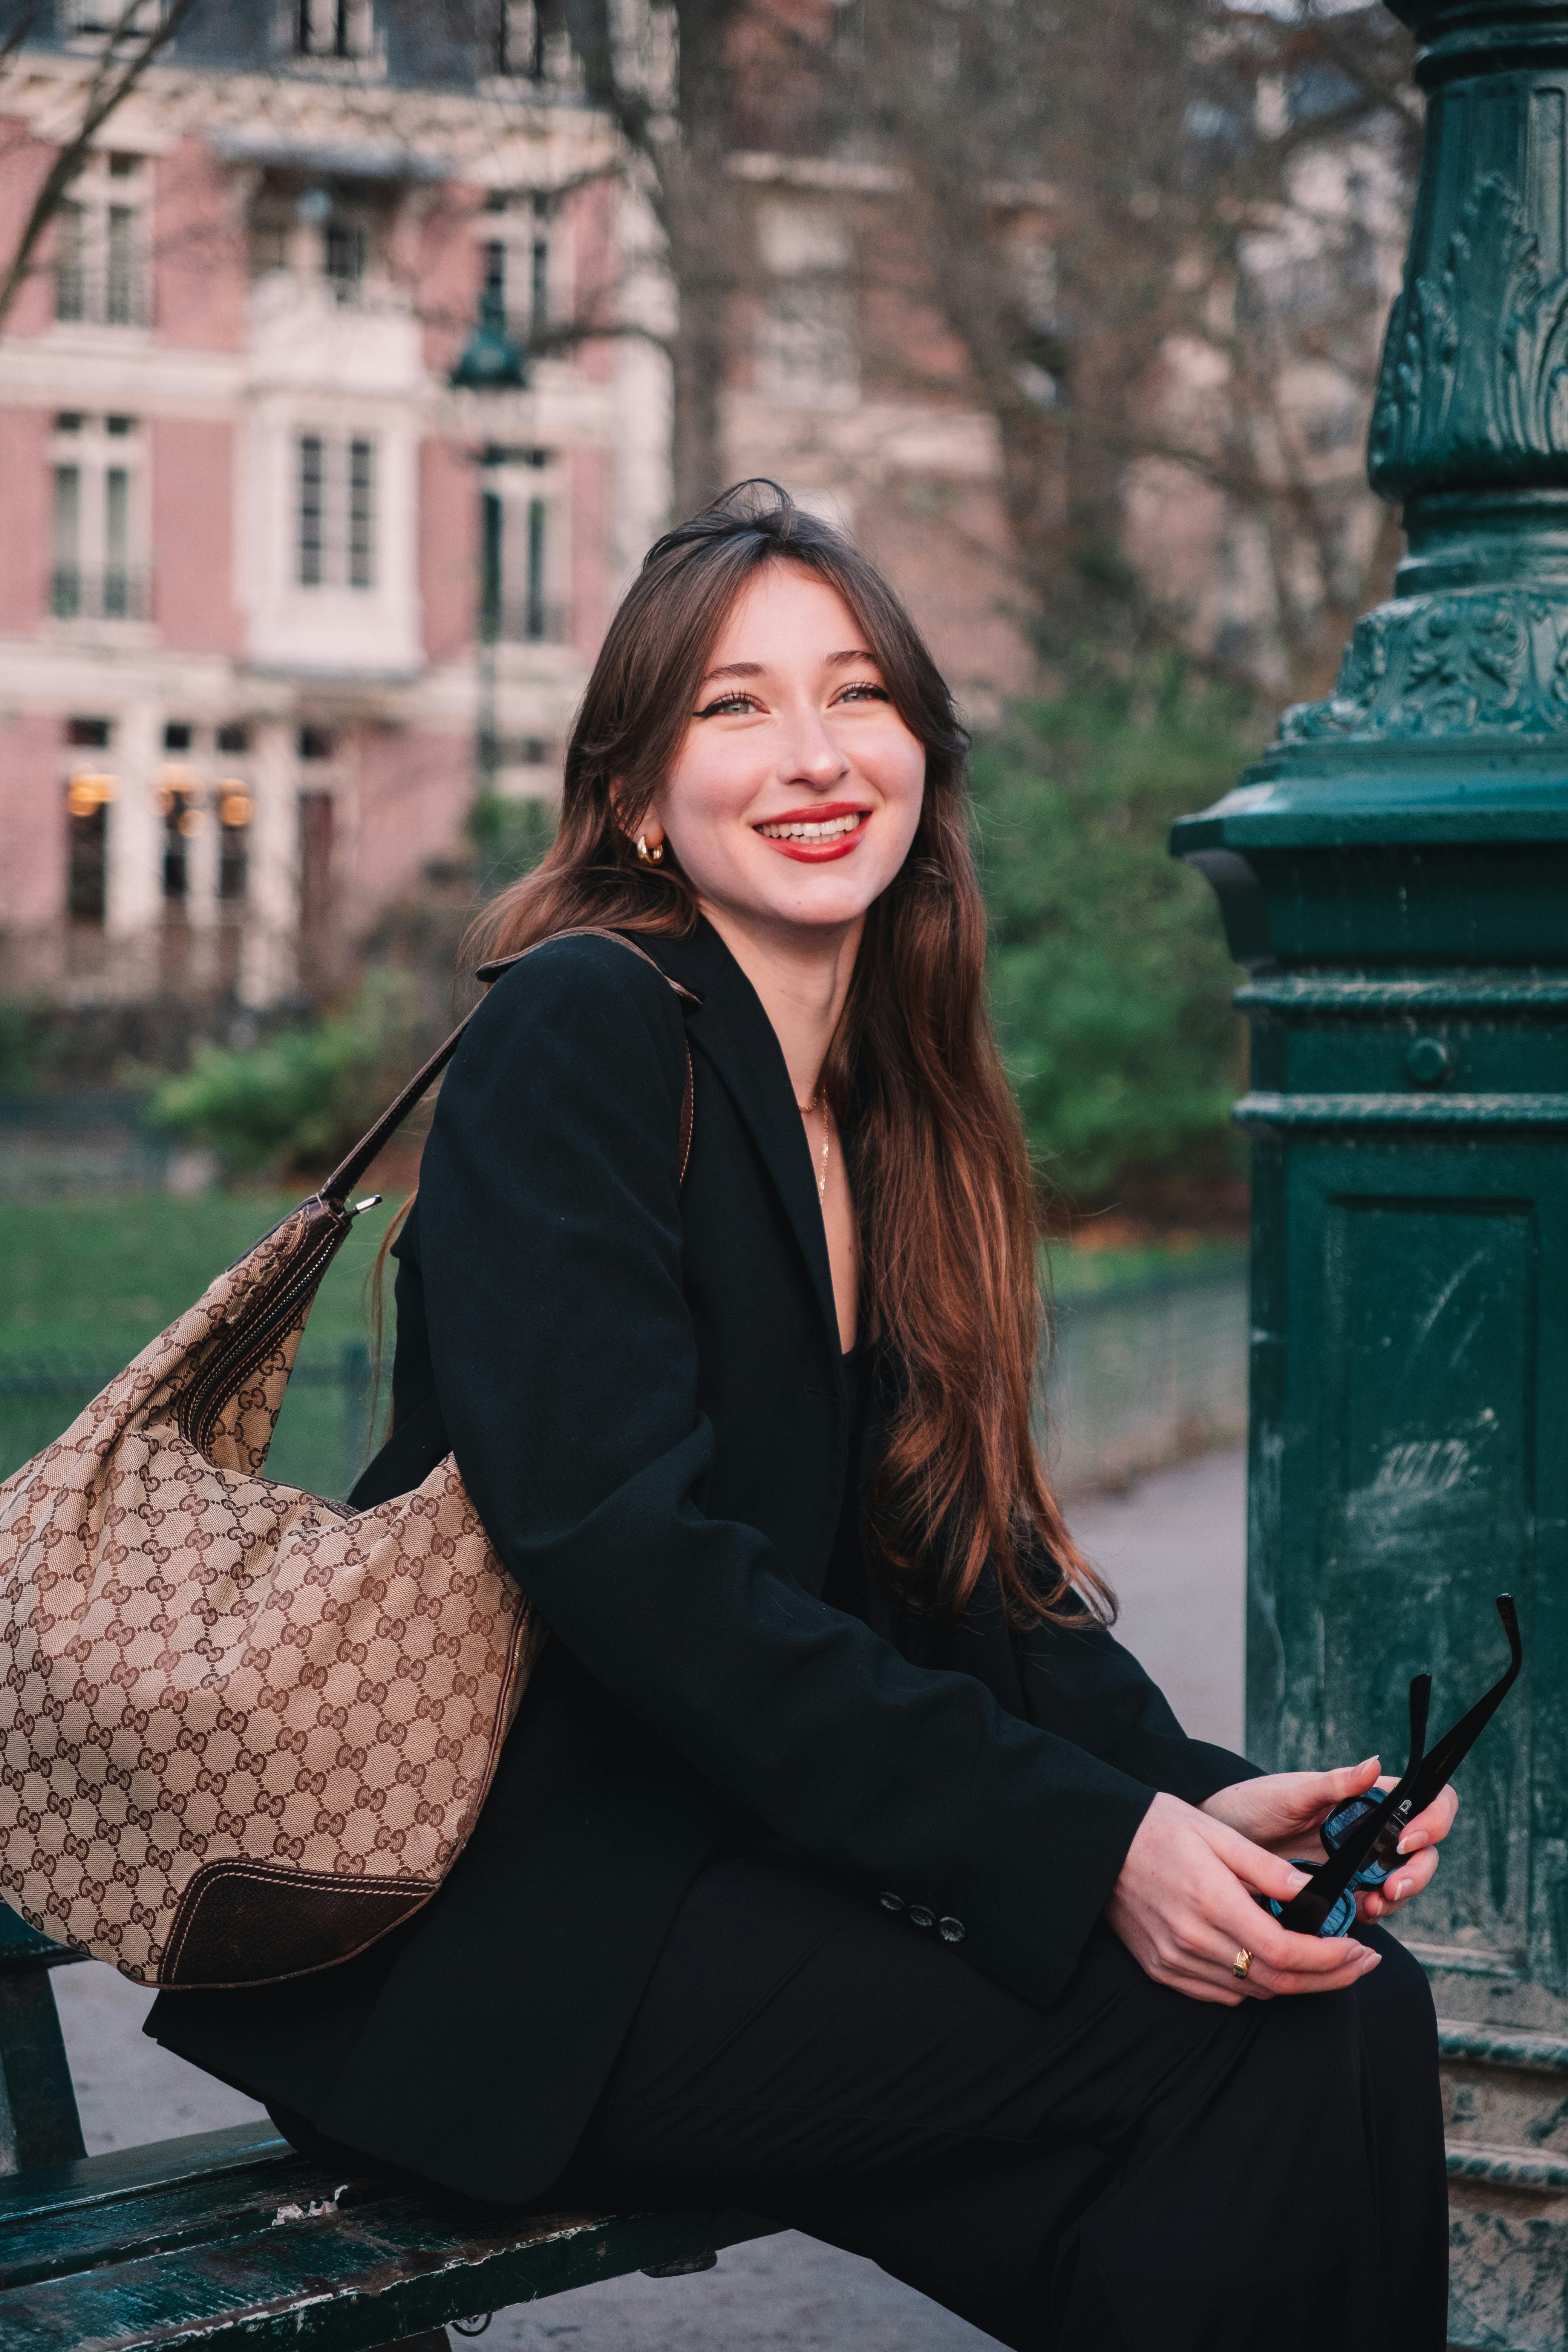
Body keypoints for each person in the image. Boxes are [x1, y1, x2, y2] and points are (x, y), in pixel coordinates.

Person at [147, 483, 1454, 2351]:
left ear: (923, 746)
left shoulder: (886, 1105)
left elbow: (956, 1561)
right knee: (1242, 2064)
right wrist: (1083, 1851)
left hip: (737, 1885)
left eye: (857, 695)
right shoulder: (582, 1034)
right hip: (522, 1938)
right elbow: (627, 1558)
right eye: (734, 708)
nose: (816, 754)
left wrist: (1183, 1807)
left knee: (1321, 2009)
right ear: (632, 796)